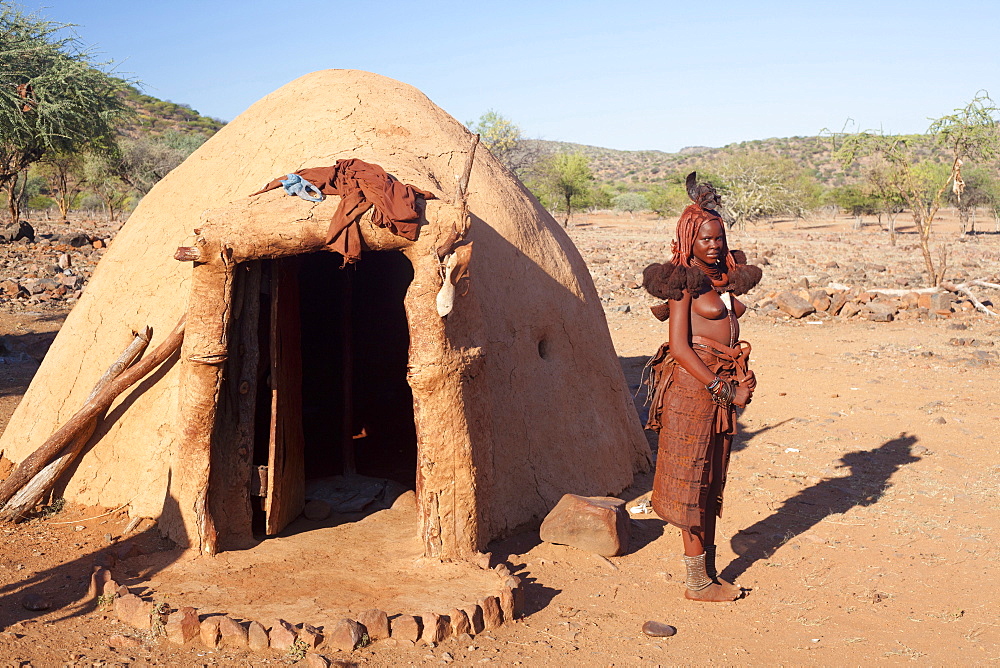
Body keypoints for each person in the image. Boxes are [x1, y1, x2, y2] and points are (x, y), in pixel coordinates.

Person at [641, 172, 762, 602]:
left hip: (720, 387)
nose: (714, 246)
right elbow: (678, 346)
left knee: (712, 480)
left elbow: (724, 333)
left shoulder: (722, 279)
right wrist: (723, 389)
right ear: (689, 239)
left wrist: (740, 377)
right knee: (692, 481)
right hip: (695, 392)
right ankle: (696, 581)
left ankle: (708, 572)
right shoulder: (682, 283)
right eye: (706, 239)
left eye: (720, 237)